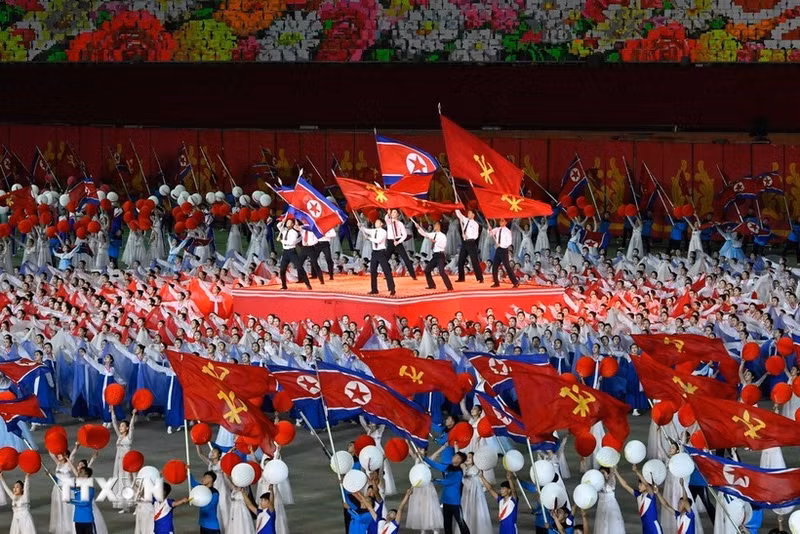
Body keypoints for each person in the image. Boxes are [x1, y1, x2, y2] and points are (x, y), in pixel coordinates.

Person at [424, 451, 471, 534]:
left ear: (460, 461)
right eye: (455, 456)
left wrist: (434, 480)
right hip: (446, 501)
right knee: (447, 524)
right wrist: (424, 457)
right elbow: (435, 465)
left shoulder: (459, 473)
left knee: (461, 522)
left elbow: (447, 482)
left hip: (455, 503)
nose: (454, 457)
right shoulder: (448, 467)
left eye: (457, 457)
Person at [613, 465, 662, 534]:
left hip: (654, 527)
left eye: (641, 484)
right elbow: (625, 485)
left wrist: (637, 472)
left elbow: (647, 485)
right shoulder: (638, 495)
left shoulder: (651, 495)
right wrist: (616, 472)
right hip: (645, 527)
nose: (639, 486)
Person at [358, 218, 396, 296]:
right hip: (374, 253)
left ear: (382, 224)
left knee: (386, 270)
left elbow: (378, 241)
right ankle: (374, 289)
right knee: (373, 271)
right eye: (375, 221)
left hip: (381, 252)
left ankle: (392, 288)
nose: (376, 223)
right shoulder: (373, 230)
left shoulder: (384, 232)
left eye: (378, 222)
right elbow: (365, 230)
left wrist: (368, 238)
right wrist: (360, 226)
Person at [414, 219, 453, 291]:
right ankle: (431, 285)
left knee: (441, 272)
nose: (434, 226)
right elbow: (425, 234)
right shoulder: (433, 234)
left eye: (435, 225)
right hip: (435, 256)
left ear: (439, 226)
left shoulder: (443, 236)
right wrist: (418, 228)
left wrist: (435, 242)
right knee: (427, 270)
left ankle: (449, 287)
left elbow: (443, 246)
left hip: (440, 255)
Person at [278, 218, 312, 291]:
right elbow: (278, 226)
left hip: (291, 251)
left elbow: (291, 242)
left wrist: (282, 241)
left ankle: (307, 284)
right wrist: (282, 221)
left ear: (293, 224)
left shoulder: (294, 232)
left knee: (299, 267)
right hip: (285, 252)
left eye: (289, 222)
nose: (287, 223)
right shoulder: (283, 230)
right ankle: (284, 285)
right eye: (287, 222)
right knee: (282, 269)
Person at [385, 209, 416, 279]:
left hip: (398, 242)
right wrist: (388, 213)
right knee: (385, 259)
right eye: (392, 212)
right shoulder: (389, 221)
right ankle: (388, 274)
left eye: (395, 212)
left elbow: (404, 235)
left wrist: (398, 242)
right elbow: (386, 218)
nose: (393, 213)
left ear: (398, 215)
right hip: (390, 242)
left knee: (405, 258)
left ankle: (413, 275)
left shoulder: (400, 223)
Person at [455, 208, 483, 283]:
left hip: (471, 242)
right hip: (465, 243)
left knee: (474, 261)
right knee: (461, 260)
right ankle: (461, 278)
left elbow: (476, 235)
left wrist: (468, 236)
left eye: (470, 213)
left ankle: (480, 278)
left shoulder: (475, 224)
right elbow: (459, 215)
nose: (468, 214)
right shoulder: (466, 220)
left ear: (473, 215)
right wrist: (457, 206)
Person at [489, 219, 518, 288]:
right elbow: (491, 233)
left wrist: (501, 245)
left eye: (502, 221)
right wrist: (490, 229)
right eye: (500, 221)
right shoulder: (497, 229)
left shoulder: (508, 231)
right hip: (498, 250)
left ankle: (515, 282)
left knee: (507, 267)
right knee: (495, 266)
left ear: (505, 222)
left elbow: (509, 242)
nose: (500, 222)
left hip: (504, 250)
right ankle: (496, 282)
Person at [70, 466, 96, 534]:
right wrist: (51, 475)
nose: (78, 473)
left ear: (86, 475)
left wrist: (71, 501)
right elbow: (62, 484)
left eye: (81, 472)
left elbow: (84, 503)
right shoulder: (77, 487)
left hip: (87, 520)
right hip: (78, 520)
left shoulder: (90, 488)